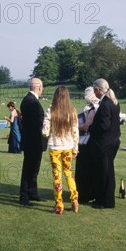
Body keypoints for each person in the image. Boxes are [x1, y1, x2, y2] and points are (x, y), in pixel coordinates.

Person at [42, 86, 80, 215]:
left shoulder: (50, 110)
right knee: (69, 173)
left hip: (55, 147)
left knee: (57, 176)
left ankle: (59, 205)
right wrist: (76, 148)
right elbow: (75, 132)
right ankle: (74, 199)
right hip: (68, 146)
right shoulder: (73, 111)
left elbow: (45, 132)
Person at [88, 78, 121, 209]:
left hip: (105, 144)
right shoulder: (114, 102)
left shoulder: (105, 104)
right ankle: (105, 198)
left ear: (97, 90)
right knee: (108, 172)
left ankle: (105, 201)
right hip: (113, 141)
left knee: (104, 173)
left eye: (94, 90)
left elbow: (104, 126)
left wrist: (90, 128)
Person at [19, 78, 47, 206]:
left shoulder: (28, 100)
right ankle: (24, 196)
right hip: (33, 141)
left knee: (34, 168)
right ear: (39, 87)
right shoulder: (32, 102)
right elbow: (38, 123)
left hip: (32, 140)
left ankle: (32, 192)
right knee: (29, 168)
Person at [75, 87, 99, 204]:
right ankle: (91, 192)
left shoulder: (92, 109)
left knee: (83, 170)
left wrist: (74, 126)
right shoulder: (97, 106)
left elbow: (86, 126)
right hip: (91, 142)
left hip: (86, 142)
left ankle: (84, 194)